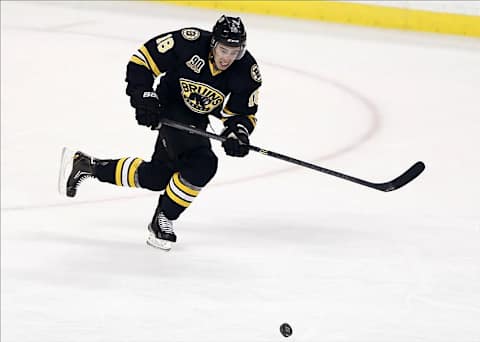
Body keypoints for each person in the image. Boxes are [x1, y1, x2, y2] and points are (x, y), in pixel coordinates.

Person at [58, 15, 262, 251]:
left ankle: (88, 165)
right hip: (170, 106)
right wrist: (144, 96)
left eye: (234, 52)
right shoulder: (189, 43)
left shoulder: (246, 71)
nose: (227, 58)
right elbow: (142, 60)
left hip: (197, 119)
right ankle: (163, 219)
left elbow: (242, 113)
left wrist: (238, 133)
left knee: (157, 177)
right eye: (224, 49)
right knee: (203, 163)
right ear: (213, 43)